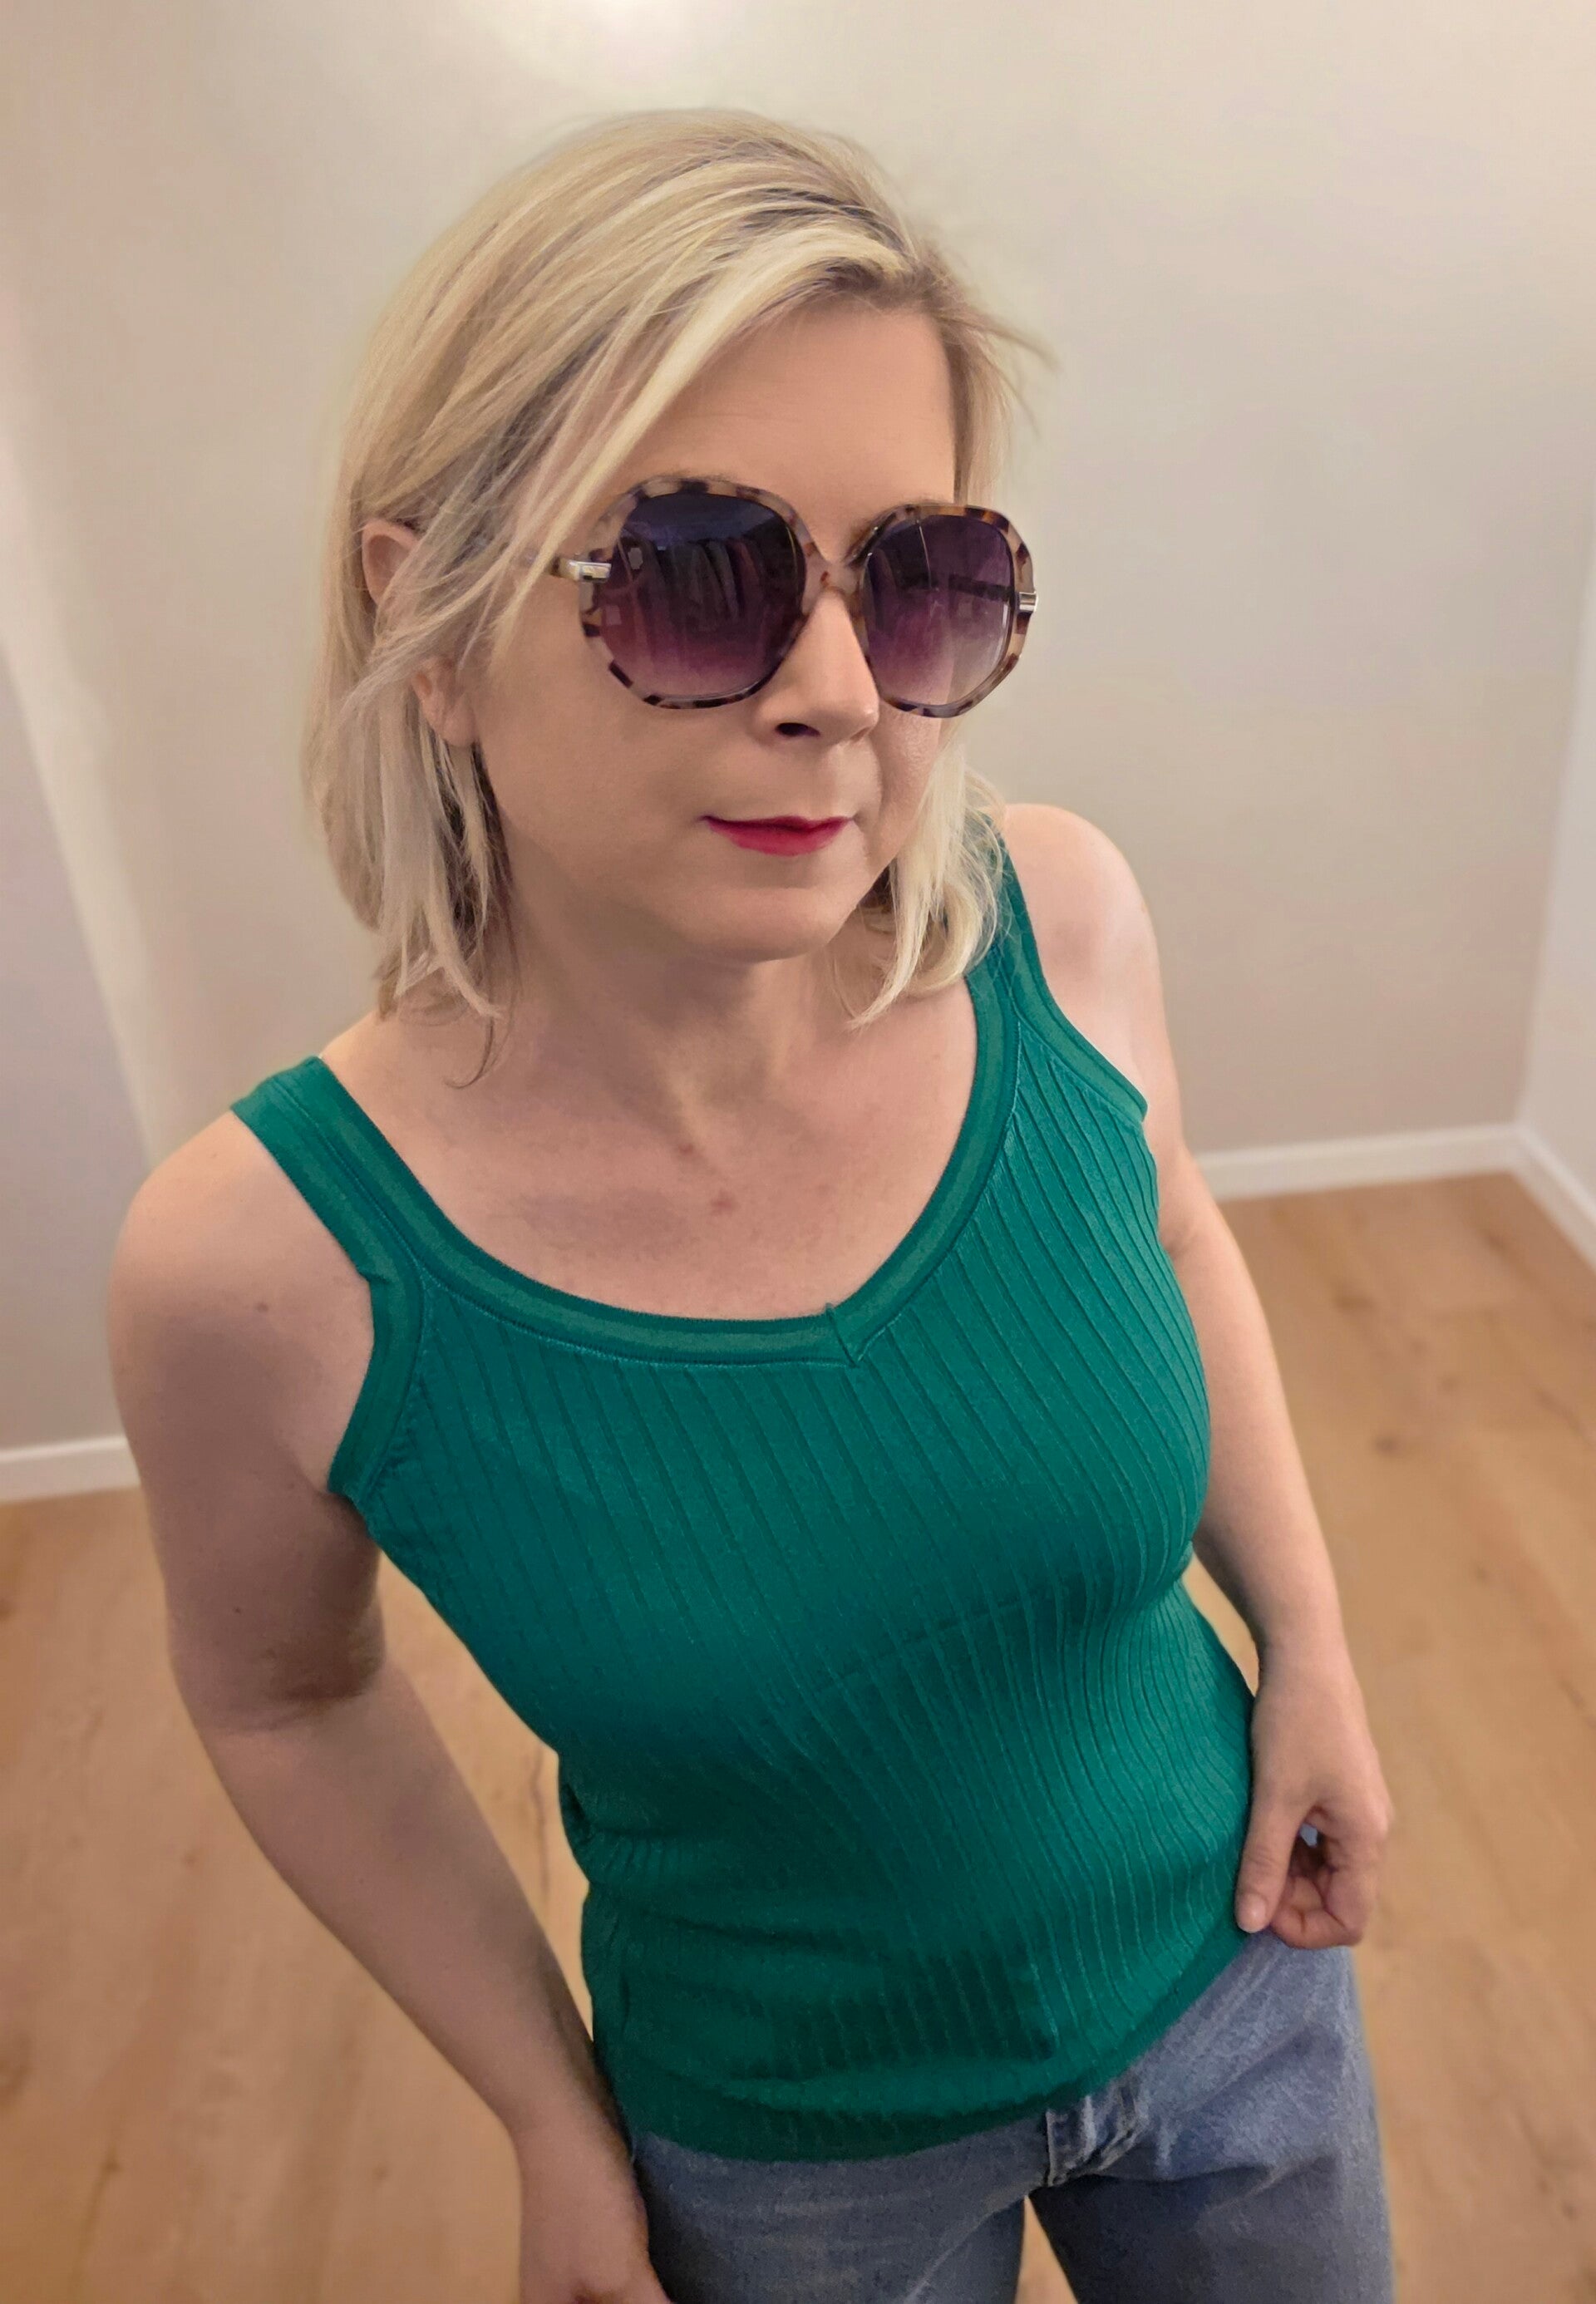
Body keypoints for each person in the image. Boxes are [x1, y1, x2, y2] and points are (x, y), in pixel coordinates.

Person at [107, 105, 1396, 2304]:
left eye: (922, 581)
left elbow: (1173, 1229)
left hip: (1243, 1986)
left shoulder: (1061, 926)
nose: (835, 695)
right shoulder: (264, 1267)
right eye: (697, 577)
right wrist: (546, 2110)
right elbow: (285, 1700)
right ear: (430, 620)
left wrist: (1315, 1651)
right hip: (791, 2156)